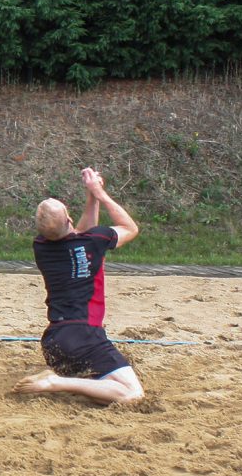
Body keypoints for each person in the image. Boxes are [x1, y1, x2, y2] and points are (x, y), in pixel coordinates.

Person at [13, 167, 144, 404]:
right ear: (69, 220)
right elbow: (131, 228)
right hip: (83, 336)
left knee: (102, 383)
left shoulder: (42, 246)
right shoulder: (94, 241)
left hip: (55, 344)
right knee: (132, 393)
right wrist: (99, 193)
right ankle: (55, 382)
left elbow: (80, 235)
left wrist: (91, 197)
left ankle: (63, 378)